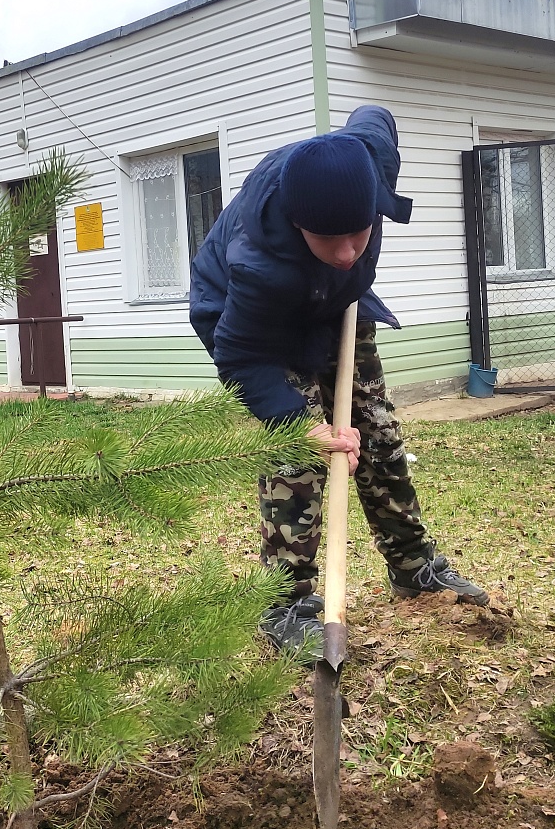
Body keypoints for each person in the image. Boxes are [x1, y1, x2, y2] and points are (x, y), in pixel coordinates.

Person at [189, 104, 489, 660]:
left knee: (378, 437)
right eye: (331, 240)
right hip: (258, 330)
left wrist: (342, 268)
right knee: (297, 460)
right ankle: (286, 602)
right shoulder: (260, 266)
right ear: (302, 224)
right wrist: (303, 425)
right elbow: (240, 354)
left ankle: (414, 567)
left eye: (359, 234)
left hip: (337, 304)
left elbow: (373, 118)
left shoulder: (369, 165)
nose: (350, 251)